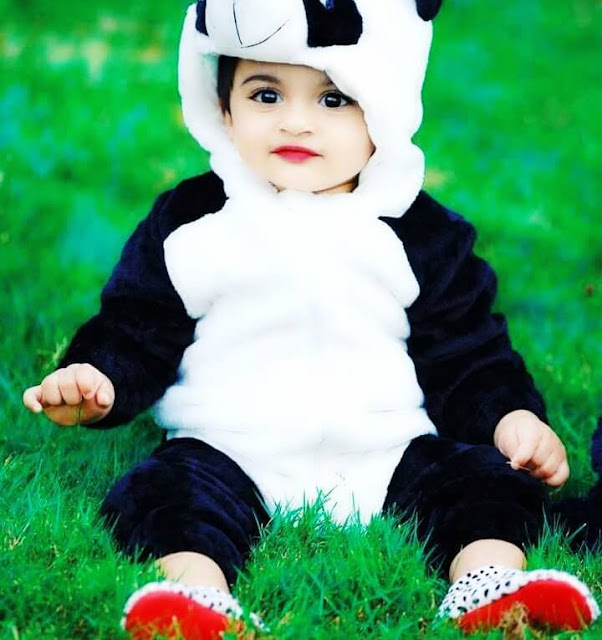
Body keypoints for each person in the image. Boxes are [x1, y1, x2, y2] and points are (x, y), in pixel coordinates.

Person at [22, 0, 599, 637]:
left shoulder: (418, 231)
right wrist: (97, 377)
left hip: (387, 447)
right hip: (229, 445)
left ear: (384, 107)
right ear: (223, 107)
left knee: (485, 482)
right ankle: (194, 595)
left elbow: (469, 352)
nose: (295, 122)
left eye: (333, 99)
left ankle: (488, 582)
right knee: (165, 493)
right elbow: (136, 327)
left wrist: (510, 417)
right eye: (265, 94)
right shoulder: (193, 223)